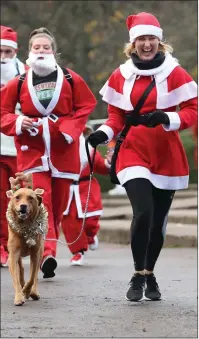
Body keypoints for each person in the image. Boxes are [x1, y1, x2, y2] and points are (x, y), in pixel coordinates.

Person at [87, 12, 198, 301]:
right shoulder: (121, 74)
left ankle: (150, 272)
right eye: (141, 39)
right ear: (132, 44)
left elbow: (192, 111)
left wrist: (167, 117)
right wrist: (102, 134)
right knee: (143, 211)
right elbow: (115, 116)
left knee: (158, 221)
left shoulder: (176, 73)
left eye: (151, 38)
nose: (146, 44)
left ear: (159, 42)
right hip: (133, 149)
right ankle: (137, 274)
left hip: (166, 152)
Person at [0, 27, 97, 278]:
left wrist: (70, 127)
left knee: (60, 206)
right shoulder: (19, 82)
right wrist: (19, 123)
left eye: (46, 47)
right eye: (37, 47)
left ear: (54, 51)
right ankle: (48, 253)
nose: (41, 51)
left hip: (63, 151)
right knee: (44, 201)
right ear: (30, 51)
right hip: (32, 151)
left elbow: (87, 104)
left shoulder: (71, 78)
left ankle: (44, 248)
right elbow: (3, 113)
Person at [61, 123, 110, 265]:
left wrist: (109, 164)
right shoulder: (59, 150)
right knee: (70, 224)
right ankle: (78, 253)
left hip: (86, 188)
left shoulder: (89, 149)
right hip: (67, 189)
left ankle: (91, 235)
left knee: (90, 220)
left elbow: (101, 166)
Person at [0, 25, 27, 267]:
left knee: (21, 201)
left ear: (15, 52)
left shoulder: (26, 74)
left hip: (20, 148)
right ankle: (2, 246)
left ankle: (23, 243)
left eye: (7, 52)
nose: (3, 58)